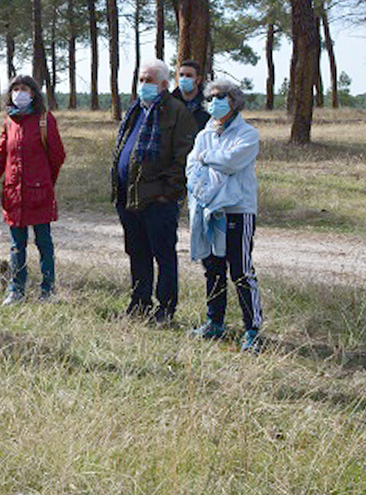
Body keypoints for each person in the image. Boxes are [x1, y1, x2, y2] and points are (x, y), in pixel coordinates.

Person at [112, 59, 197, 323]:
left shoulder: (176, 112)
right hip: (130, 197)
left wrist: (167, 193)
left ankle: (166, 309)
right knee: (137, 252)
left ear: (163, 84)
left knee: (164, 255)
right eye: (140, 80)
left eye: (149, 80)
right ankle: (139, 303)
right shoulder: (135, 110)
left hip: (158, 200)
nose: (143, 85)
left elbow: (184, 157)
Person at [186, 79, 263, 352]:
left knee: (241, 271)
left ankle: (252, 329)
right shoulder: (204, 134)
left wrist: (207, 158)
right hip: (209, 209)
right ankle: (214, 322)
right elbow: (192, 167)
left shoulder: (248, 134)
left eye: (221, 97)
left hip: (238, 210)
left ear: (234, 101)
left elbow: (232, 162)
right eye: (211, 97)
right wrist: (208, 160)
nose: (214, 102)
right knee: (213, 269)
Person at [0, 76, 66, 304]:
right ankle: (16, 290)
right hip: (14, 194)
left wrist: (46, 181)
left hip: (39, 193)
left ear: (33, 93)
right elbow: (0, 156)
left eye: (24, 88)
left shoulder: (45, 120)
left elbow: (58, 156)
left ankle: (48, 291)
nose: (19, 93)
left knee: (44, 243)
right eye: (15, 89)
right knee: (17, 246)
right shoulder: (9, 121)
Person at [172, 59, 210, 130]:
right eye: (181, 75)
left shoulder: (208, 103)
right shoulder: (169, 103)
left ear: (198, 80)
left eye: (189, 76)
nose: (184, 78)